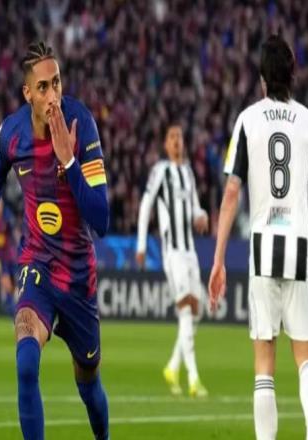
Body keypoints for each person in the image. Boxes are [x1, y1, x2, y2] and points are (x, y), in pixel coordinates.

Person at [0, 41, 110, 440]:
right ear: (27, 92)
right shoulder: (11, 134)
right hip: (37, 264)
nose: (53, 95)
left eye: (57, 83)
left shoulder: (82, 125)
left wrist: (70, 162)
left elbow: (101, 219)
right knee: (26, 362)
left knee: (89, 383)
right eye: (43, 87)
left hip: (78, 277)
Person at [209, 34, 308, 440]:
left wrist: (218, 259)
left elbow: (232, 192)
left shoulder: (248, 120)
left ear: (262, 77)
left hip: (262, 245)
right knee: (306, 355)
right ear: (293, 73)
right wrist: (307, 230)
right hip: (298, 243)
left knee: (264, 364)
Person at [136, 123, 209, 397]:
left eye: (180, 136)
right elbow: (146, 205)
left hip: (190, 250)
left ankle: (173, 366)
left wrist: (201, 216)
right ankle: (193, 378)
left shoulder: (188, 172)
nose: (177, 140)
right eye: (172, 137)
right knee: (186, 309)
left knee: (197, 311)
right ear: (166, 145)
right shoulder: (160, 171)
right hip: (173, 252)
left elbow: (195, 207)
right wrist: (141, 244)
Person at [0, 199, 18, 316]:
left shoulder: (6, 219)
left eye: (0, 205)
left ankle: (17, 312)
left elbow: (11, 234)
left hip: (9, 259)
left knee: (10, 289)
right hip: (3, 261)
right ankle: (15, 314)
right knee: (7, 292)